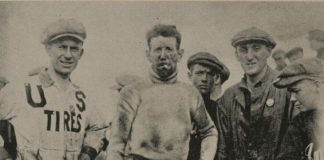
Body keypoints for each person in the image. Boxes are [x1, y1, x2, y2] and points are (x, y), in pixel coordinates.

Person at [0, 19, 107, 160]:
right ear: (48, 49)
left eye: (74, 48)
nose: (68, 55)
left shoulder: (83, 96)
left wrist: (88, 153)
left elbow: (98, 129)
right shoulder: (23, 87)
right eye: (62, 47)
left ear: (81, 53)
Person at [107, 24, 218, 160]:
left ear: (179, 55)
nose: (163, 56)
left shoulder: (190, 94)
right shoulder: (132, 92)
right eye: (157, 50)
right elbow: (117, 142)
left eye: (169, 49)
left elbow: (209, 132)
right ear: (148, 55)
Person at [216, 27, 292, 160]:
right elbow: (222, 151)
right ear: (236, 55)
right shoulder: (228, 97)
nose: (249, 56)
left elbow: (295, 144)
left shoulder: (287, 88)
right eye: (243, 50)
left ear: (268, 51)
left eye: (256, 48)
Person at [274, 58, 324, 160]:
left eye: (296, 91)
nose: (292, 98)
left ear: (317, 86)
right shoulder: (299, 123)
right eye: (290, 93)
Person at [186, 52, 230, 160]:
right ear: (189, 76)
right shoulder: (180, 106)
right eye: (199, 73)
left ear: (215, 79)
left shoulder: (220, 111)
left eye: (209, 74)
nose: (204, 79)